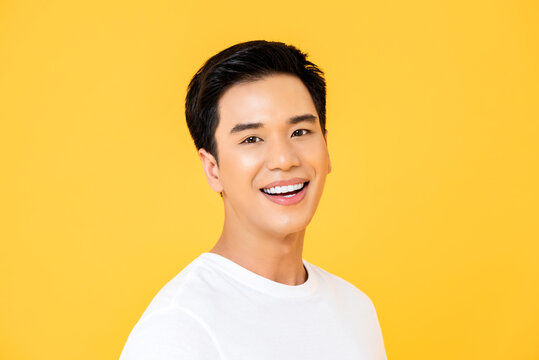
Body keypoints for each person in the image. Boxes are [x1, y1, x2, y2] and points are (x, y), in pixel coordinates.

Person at [119, 40, 387, 360]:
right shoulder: (178, 330)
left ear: (326, 148)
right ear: (213, 169)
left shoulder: (356, 309)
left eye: (300, 131)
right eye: (251, 139)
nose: (283, 159)